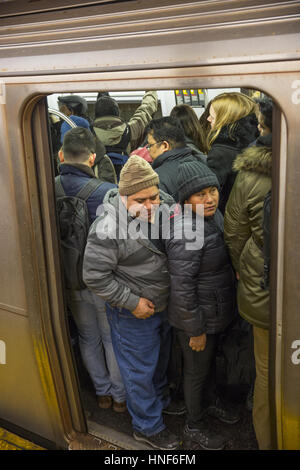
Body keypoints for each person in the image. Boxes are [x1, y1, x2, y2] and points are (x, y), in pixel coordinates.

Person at [82, 156, 181, 450]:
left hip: (162, 307)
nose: (151, 205)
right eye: (142, 199)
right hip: (132, 314)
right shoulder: (107, 227)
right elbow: (94, 276)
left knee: (158, 364)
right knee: (139, 372)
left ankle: (159, 403)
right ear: (123, 196)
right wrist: (132, 302)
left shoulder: (162, 208)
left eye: (155, 196)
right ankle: (147, 427)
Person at [165, 160, 238, 450]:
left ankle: (208, 404)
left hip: (213, 311)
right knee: (196, 372)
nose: (209, 199)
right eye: (200, 194)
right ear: (185, 199)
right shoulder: (186, 230)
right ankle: (194, 424)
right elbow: (181, 288)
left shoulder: (212, 217)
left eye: (212, 191)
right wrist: (195, 329)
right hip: (197, 320)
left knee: (206, 369)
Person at [56, 127, 126, 412]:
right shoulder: (108, 192)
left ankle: (102, 393)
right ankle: (121, 397)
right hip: (104, 280)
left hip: (70, 279)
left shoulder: (47, 186)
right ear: (93, 158)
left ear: (61, 155)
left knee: (88, 337)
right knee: (112, 338)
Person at [224, 118, 272, 450]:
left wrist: (245, 268)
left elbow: (235, 231)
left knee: (267, 373)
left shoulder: (251, 174)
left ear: (264, 127)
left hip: (264, 288)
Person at [206, 92, 259, 213]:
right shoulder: (254, 142)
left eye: (213, 117)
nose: (208, 119)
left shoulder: (220, 152)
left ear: (225, 119)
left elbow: (213, 197)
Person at [93, 91, 158, 179]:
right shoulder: (131, 130)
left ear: (96, 115)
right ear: (117, 113)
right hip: (124, 183)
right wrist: (151, 90)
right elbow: (147, 109)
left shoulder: (86, 134)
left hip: (95, 184)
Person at [146, 116, 207, 202]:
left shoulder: (158, 179)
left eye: (150, 145)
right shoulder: (202, 162)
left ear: (164, 146)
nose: (148, 150)